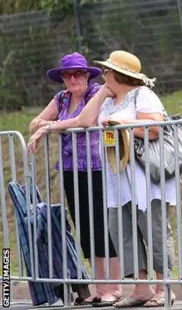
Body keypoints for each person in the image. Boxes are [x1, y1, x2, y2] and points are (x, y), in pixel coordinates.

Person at [77, 50, 176, 308]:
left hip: (144, 178)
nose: (103, 74)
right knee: (122, 230)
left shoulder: (143, 95)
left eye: (107, 71)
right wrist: (101, 94)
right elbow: (86, 120)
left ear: (119, 74)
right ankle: (141, 289)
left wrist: (121, 121)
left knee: (153, 230)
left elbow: (155, 128)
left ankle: (164, 288)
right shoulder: (108, 100)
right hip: (117, 179)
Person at [27, 52, 122, 307]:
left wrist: (51, 126)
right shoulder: (61, 98)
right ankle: (99, 287)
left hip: (99, 168)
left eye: (78, 73)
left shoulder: (97, 93)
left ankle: (114, 286)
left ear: (86, 75)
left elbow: (86, 121)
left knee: (104, 227)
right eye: (67, 75)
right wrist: (43, 125)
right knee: (85, 229)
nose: (72, 78)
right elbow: (35, 122)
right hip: (71, 170)